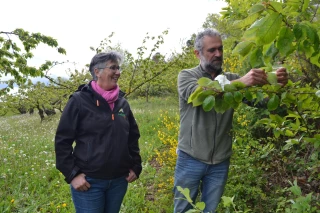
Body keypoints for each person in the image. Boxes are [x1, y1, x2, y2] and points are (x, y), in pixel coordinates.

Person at [173, 28, 288, 212]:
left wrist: (278, 86)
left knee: (209, 210)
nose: (218, 54)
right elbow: (198, 95)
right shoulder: (187, 76)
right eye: (212, 50)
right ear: (197, 53)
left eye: (220, 49)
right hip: (190, 158)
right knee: (183, 209)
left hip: (220, 162)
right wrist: (242, 82)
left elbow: (261, 102)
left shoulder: (232, 78)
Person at [55, 51, 142, 213]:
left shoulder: (122, 103)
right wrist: (72, 174)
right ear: (97, 71)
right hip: (89, 182)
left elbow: (132, 137)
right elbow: (62, 140)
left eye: (119, 68)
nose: (118, 72)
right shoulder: (79, 101)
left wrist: (135, 165)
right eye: (113, 68)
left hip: (118, 180)